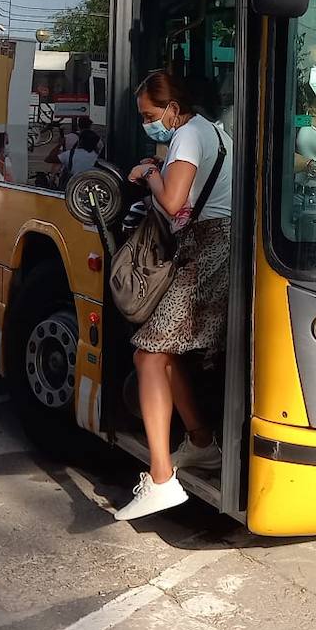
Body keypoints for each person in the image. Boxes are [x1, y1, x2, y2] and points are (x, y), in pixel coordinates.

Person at [115, 70, 232, 522]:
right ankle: (202, 443)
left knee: (148, 355)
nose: (149, 123)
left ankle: (160, 479)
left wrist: (149, 173)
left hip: (204, 247)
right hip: (217, 245)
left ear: (172, 109)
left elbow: (172, 201)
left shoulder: (186, 134)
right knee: (170, 354)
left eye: (150, 115)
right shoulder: (217, 134)